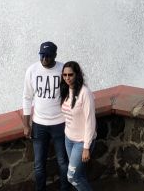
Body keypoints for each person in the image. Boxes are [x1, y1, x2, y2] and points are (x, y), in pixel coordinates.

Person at [23, 41, 71, 191]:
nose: (44, 59)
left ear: (55, 56)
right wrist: (26, 124)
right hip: (39, 125)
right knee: (38, 164)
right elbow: (27, 97)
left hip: (60, 124)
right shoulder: (32, 70)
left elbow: (72, 93)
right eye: (42, 55)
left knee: (63, 162)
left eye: (48, 56)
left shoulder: (63, 70)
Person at [60, 61, 97, 191]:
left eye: (70, 74)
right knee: (79, 175)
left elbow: (90, 121)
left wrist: (86, 147)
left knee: (72, 177)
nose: (67, 78)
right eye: (64, 75)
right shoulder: (65, 90)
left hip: (82, 142)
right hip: (69, 139)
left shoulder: (85, 93)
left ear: (77, 74)